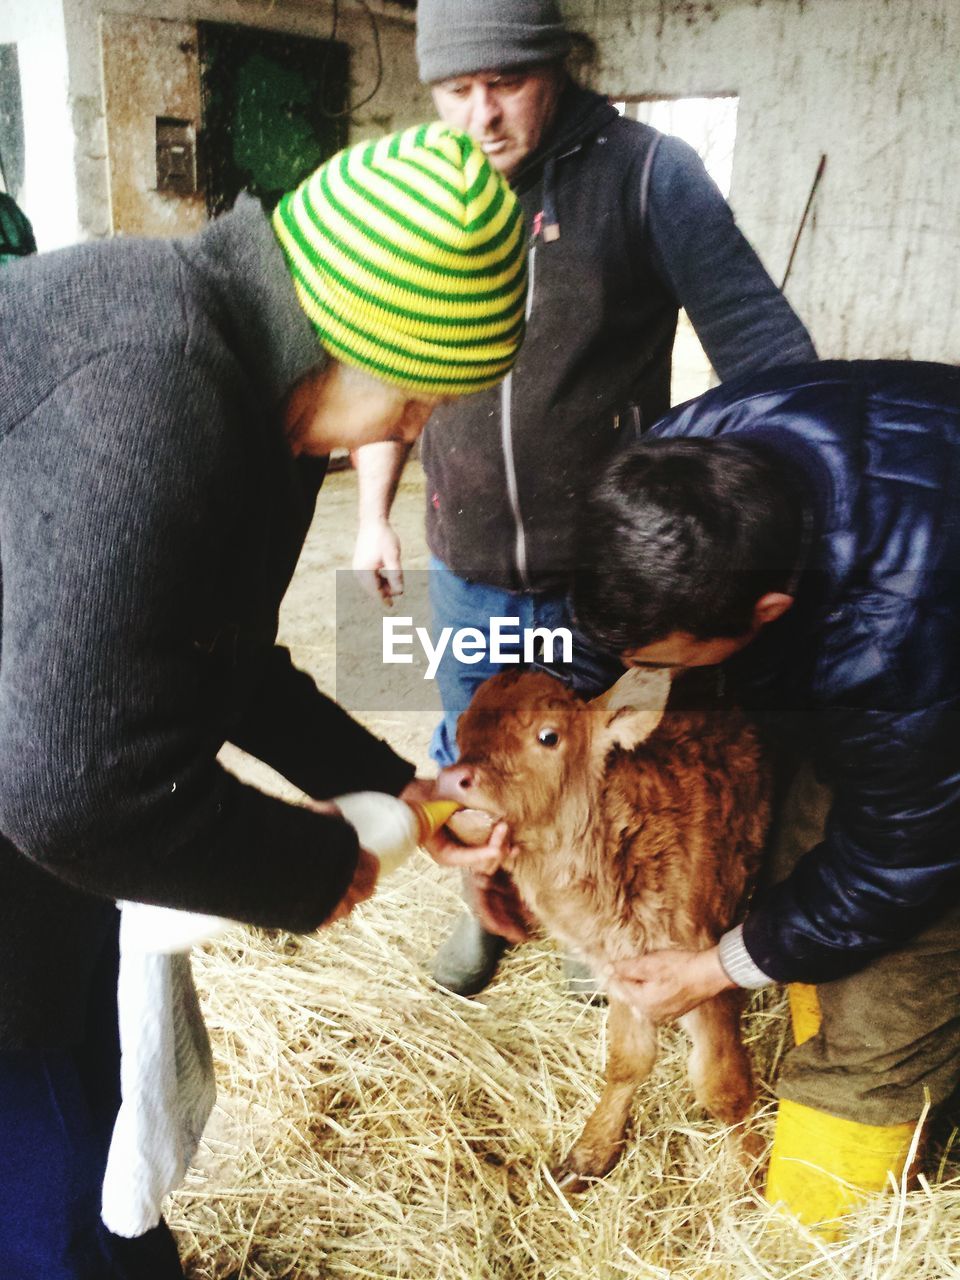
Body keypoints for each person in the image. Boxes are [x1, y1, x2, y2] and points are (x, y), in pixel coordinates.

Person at [0, 121, 527, 1280]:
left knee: (102, 1098)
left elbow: (217, 654)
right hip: (21, 830)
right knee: (30, 1148)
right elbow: (71, 786)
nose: (414, 430)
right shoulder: (152, 391)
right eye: (426, 396)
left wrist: (401, 793)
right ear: (365, 332)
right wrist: (311, 866)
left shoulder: (261, 396)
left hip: (42, 821)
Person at [352, 0, 818, 998]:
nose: (479, 118)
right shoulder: (426, 182)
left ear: (558, 64)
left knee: (594, 771)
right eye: (454, 90)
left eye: (506, 84)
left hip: (601, 578)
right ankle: (488, 911)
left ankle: (598, 927)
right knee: (469, 754)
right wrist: (369, 513)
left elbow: (770, 358)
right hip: (467, 556)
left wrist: (739, 531)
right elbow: (381, 364)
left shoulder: (650, 173)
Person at [569, 357, 960, 1232]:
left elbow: (899, 859)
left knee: (887, 999)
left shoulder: (895, 636)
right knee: (793, 871)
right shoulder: (674, 467)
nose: (647, 682)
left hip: (934, 677)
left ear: (769, 612)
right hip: (897, 674)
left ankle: (835, 1207)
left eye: (666, 663)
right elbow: (611, 633)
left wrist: (714, 967)